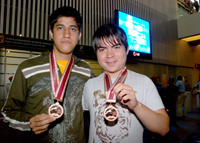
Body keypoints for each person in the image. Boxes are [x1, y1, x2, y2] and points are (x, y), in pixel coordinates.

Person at [1, 6, 94, 143]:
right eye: (60, 28)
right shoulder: (27, 68)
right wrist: (29, 122)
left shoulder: (86, 70)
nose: (67, 34)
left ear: (79, 35)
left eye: (73, 29)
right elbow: (7, 112)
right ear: (51, 33)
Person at [82, 23, 169, 143]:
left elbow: (163, 128)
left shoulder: (144, 82)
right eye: (102, 49)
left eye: (116, 47)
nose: (109, 55)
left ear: (127, 49)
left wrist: (136, 106)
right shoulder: (89, 85)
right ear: (96, 53)